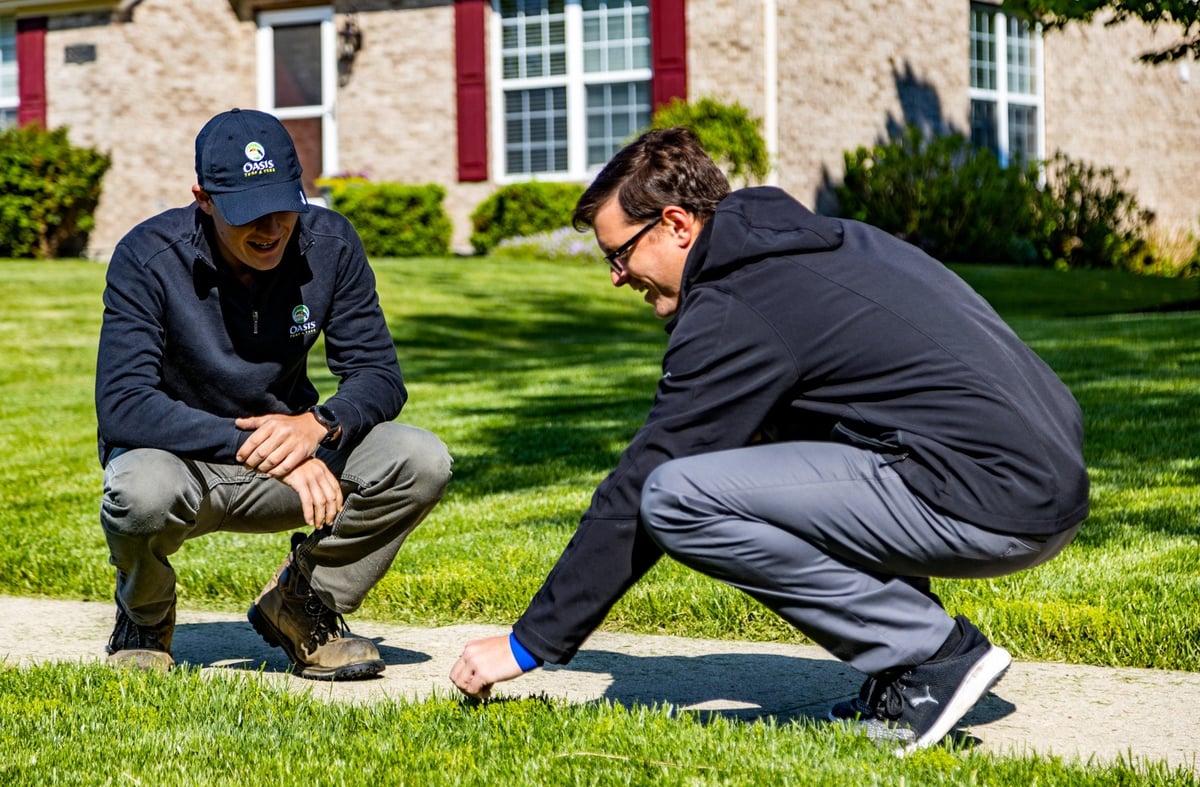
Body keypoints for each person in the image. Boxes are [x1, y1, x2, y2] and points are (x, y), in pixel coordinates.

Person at [450, 127, 1088, 750]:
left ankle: (931, 658)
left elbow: (646, 478)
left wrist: (528, 643)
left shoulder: (738, 301)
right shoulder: (824, 248)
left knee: (677, 496)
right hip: (1035, 484)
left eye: (619, 254)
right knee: (750, 445)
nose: (617, 276)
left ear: (677, 225)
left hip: (991, 499)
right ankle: (905, 664)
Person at [96, 108, 452, 680]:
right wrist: (264, 447)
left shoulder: (332, 245)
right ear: (204, 199)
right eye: (247, 214)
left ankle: (301, 602)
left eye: (283, 207)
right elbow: (123, 404)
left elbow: (379, 375)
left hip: (298, 454)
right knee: (139, 490)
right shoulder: (146, 257)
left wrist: (319, 426)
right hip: (184, 466)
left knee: (419, 458)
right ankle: (145, 618)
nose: (270, 229)